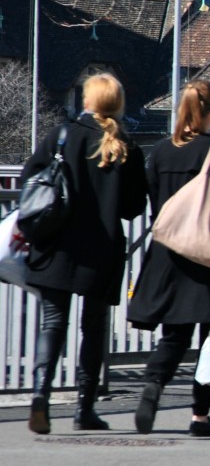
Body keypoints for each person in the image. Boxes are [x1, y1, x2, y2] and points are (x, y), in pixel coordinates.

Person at [19, 74, 147, 434]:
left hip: (56, 245)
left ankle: (41, 395)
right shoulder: (127, 147)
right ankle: (84, 408)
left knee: (52, 323)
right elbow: (133, 207)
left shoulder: (60, 136)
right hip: (101, 251)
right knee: (93, 329)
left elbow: (32, 180)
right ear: (117, 103)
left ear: (87, 100)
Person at [127, 80, 210, 437]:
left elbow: (156, 206)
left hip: (170, 253)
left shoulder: (162, 151)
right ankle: (200, 416)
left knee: (174, 334)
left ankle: (153, 386)